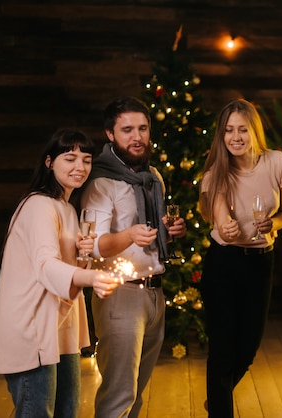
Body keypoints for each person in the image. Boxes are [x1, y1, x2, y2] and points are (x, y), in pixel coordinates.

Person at [0, 129, 119, 417]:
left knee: (67, 410)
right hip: (31, 328)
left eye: (86, 160)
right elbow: (46, 266)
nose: (80, 167)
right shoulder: (38, 205)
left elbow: (68, 275)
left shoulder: (68, 210)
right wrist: (93, 277)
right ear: (49, 162)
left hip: (61, 331)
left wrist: (84, 257)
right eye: (70, 158)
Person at [81, 96, 187, 417]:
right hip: (119, 293)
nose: (137, 136)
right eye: (127, 129)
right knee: (118, 394)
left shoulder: (152, 176)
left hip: (155, 291)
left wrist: (171, 229)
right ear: (110, 134)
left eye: (142, 128)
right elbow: (95, 245)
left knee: (136, 391)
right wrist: (129, 234)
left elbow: (153, 232)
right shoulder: (102, 182)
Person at [198, 98, 282, 417]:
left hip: (260, 261)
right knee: (222, 349)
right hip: (223, 262)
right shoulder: (217, 171)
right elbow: (219, 219)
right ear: (221, 135)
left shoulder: (278, 163)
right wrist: (225, 228)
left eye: (242, 129)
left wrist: (275, 223)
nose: (235, 136)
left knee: (248, 349)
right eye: (228, 130)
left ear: (255, 131)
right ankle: (220, 409)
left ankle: (217, 397)